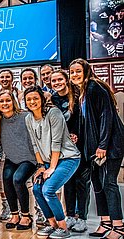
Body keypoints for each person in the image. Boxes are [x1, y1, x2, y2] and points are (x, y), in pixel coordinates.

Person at [70, 58, 124, 239]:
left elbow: (107, 116)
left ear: (86, 71)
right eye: (72, 72)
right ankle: (106, 221)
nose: (75, 75)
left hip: (110, 146)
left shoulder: (94, 87)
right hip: (95, 149)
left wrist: (102, 145)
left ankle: (118, 226)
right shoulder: (82, 92)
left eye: (78, 71)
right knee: (97, 184)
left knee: (109, 183)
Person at [24, 85, 80, 239]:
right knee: (36, 189)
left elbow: (57, 142)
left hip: (68, 158)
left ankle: (63, 228)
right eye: (29, 99)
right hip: (48, 161)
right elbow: (35, 144)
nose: (32, 101)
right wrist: (41, 166)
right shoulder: (28, 118)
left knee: (48, 190)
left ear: (42, 99)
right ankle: (52, 224)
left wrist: (51, 168)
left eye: (36, 98)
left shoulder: (53, 113)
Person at [50, 69, 90, 233]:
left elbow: (86, 120)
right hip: (64, 148)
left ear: (66, 80)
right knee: (68, 182)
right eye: (54, 81)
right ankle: (71, 215)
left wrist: (77, 136)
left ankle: (82, 218)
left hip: (80, 146)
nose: (57, 83)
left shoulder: (79, 94)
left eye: (60, 79)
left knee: (82, 182)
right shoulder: (53, 99)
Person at [0, 90, 37, 231]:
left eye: (7, 100)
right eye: (1, 101)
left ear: (13, 101)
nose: (5, 104)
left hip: (29, 158)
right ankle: (15, 215)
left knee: (18, 179)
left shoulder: (25, 116)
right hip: (11, 158)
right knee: (6, 178)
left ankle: (26, 216)